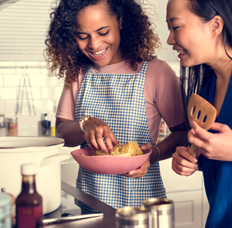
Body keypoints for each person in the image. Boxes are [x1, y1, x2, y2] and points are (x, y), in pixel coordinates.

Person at [45, 0, 186, 214]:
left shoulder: (156, 72)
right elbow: (62, 134)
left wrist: (153, 155)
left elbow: (183, 133)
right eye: (83, 36)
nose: (94, 44)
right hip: (90, 202)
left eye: (103, 32)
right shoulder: (78, 74)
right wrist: (85, 124)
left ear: (120, 21)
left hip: (141, 204)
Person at [166, 0, 232, 228]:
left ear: (215, 25)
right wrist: (193, 158)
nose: (170, 40)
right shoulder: (208, 85)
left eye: (176, 27)